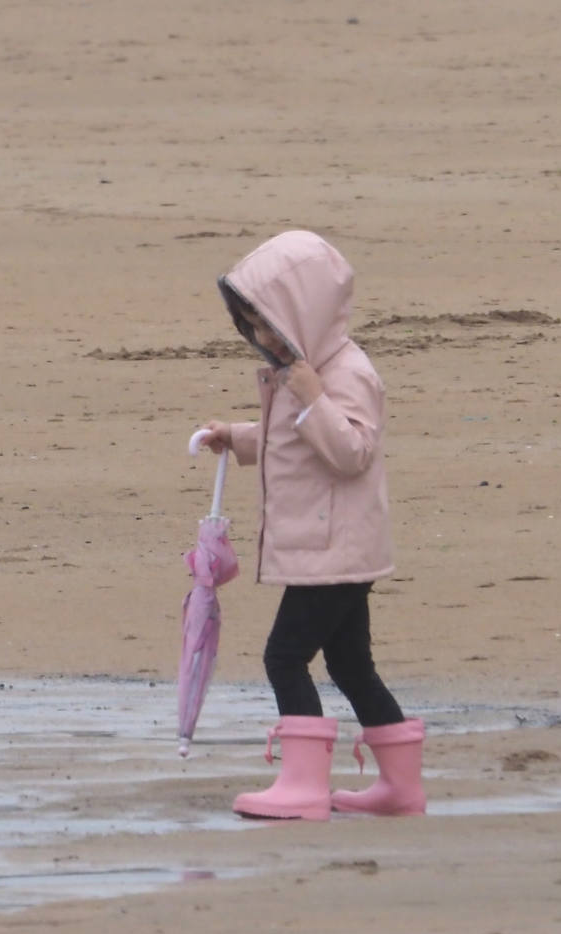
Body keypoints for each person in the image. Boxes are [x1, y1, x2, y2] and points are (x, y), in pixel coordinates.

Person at [195, 230, 426, 821]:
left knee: (284, 656)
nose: (261, 338)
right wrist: (239, 439)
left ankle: (302, 784)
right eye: (252, 325)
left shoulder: (344, 373)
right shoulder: (298, 374)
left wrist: (315, 397)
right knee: (350, 663)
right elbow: (288, 442)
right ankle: (400, 787)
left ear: (308, 314)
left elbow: (350, 452)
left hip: (335, 550)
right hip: (332, 548)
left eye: (269, 324)